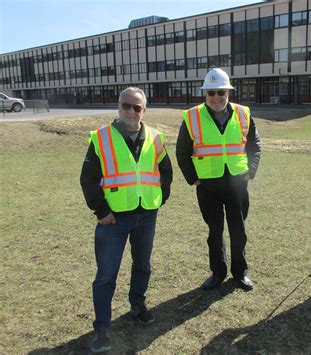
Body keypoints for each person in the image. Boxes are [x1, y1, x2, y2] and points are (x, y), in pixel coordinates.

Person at [80, 87, 173, 353]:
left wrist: (159, 198)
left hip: (146, 214)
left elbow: (165, 171)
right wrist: (101, 212)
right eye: (126, 106)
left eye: (137, 107)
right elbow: (87, 179)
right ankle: (102, 329)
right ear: (118, 107)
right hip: (113, 219)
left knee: (143, 265)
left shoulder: (155, 137)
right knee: (106, 276)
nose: (131, 112)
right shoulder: (101, 138)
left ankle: (137, 304)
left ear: (144, 110)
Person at [176, 68, 261, 291]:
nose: (216, 97)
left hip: (237, 184)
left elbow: (254, 145)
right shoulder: (192, 117)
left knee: (238, 231)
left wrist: (251, 170)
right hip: (208, 186)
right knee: (214, 231)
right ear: (205, 94)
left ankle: (240, 272)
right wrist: (193, 179)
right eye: (211, 92)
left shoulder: (244, 114)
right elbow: (182, 151)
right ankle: (218, 272)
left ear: (228, 93)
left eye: (221, 92)